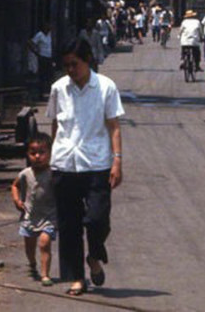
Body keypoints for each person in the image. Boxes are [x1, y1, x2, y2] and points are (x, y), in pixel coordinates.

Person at [46, 38, 124, 297]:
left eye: (75, 64)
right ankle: (77, 277)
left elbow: (113, 126)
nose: (70, 70)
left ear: (87, 60)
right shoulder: (58, 88)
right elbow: (56, 125)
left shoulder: (105, 87)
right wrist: (50, 161)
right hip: (65, 165)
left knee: (97, 219)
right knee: (69, 226)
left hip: (97, 164)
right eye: (66, 65)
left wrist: (117, 160)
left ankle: (95, 255)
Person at [11, 132, 57, 286]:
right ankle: (32, 264)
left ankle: (45, 274)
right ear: (28, 154)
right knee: (29, 246)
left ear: (50, 154)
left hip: (49, 217)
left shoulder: (53, 174)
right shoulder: (25, 173)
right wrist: (17, 200)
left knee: (44, 243)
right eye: (33, 153)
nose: (37, 156)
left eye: (42, 153)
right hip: (29, 216)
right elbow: (14, 185)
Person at [28, 21, 54, 95]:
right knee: (42, 76)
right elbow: (30, 43)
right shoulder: (39, 35)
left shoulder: (50, 35)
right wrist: (36, 53)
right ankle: (41, 93)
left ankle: (49, 92)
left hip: (50, 57)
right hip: (42, 57)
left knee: (50, 75)